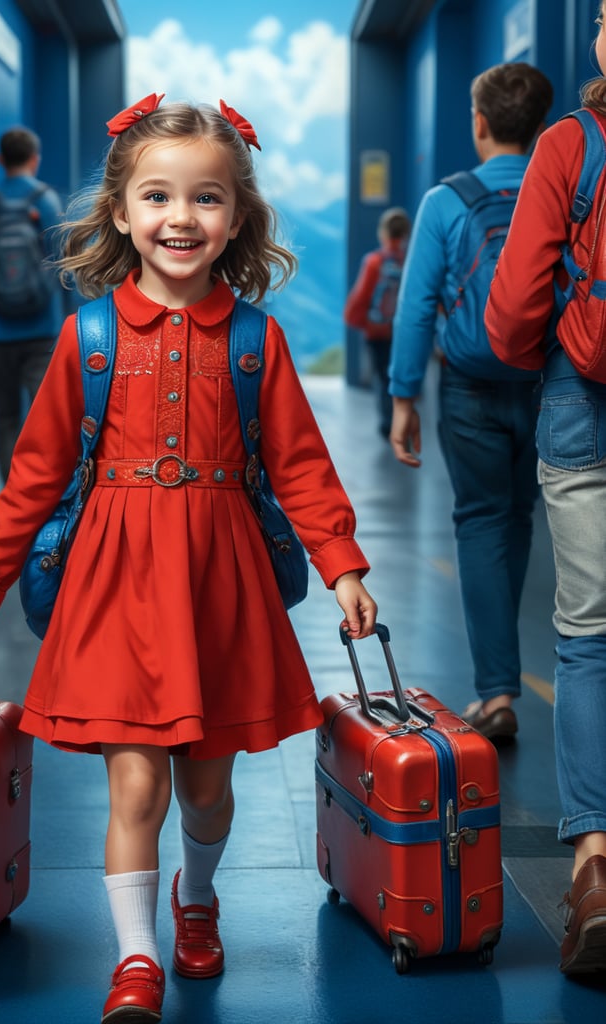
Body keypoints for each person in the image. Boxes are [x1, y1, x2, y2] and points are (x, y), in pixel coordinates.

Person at [0, 94, 377, 1023]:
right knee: (134, 775)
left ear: (238, 218)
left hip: (219, 586)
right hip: (115, 583)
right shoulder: (87, 338)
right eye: (158, 197)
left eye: (207, 198)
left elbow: (299, 463)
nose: (181, 218)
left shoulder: (257, 340)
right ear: (122, 212)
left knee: (208, 791)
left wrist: (341, 567)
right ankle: (136, 959)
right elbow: (34, 476)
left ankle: (198, 894)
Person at [485, 4, 606, 977]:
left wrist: (543, 356)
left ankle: (597, 866)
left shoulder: (574, 142)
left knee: (588, 634)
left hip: (584, 405)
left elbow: (516, 301)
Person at [388, 62, 553, 742]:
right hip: (556, 385)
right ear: (540, 126)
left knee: (482, 524)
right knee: (518, 522)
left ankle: (496, 690)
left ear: (479, 123)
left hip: (469, 386)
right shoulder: (562, 192)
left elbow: (415, 306)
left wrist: (402, 397)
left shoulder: (445, 200)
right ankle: (521, 680)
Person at [0, 126, 64, 482]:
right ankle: (44, 499)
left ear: (0, 159)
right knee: (47, 419)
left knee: (6, 419)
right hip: (41, 327)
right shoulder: (46, 199)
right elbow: (60, 260)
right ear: (34, 159)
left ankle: (11, 500)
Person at [344, 206, 410, 437]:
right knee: (401, 375)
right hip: (404, 332)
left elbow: (360, 298)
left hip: (377, 332)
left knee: (383, 378)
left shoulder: (374, 262)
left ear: (383, 233)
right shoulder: (410, 262)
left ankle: (388, 424)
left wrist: (362, 322)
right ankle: (403, 420)